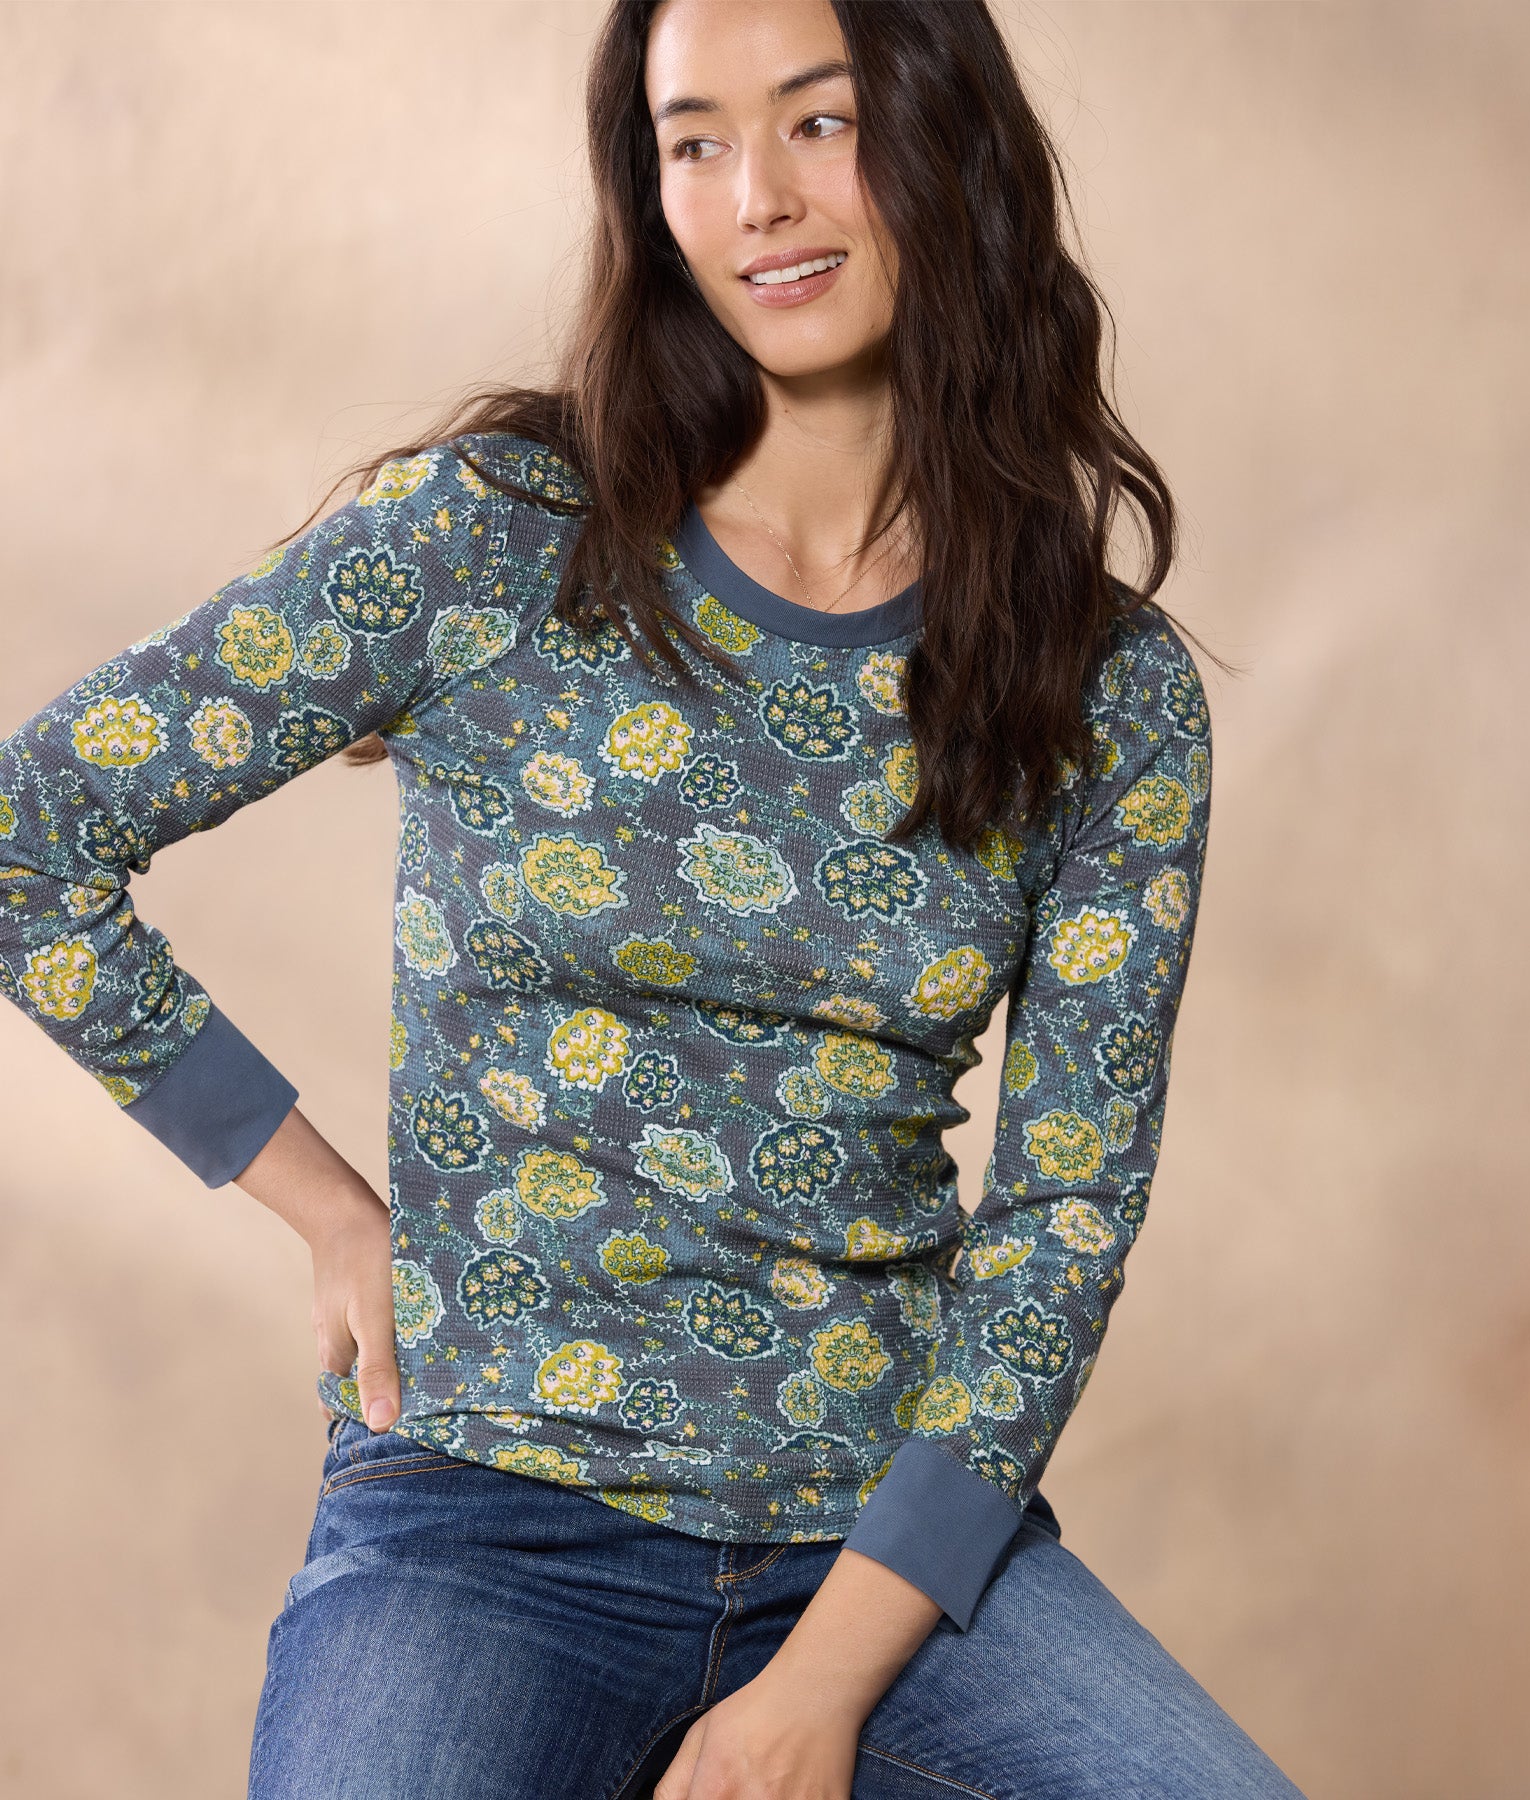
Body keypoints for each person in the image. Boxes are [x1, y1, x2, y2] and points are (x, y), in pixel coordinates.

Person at [0, 2, 1309, 1796]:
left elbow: (1064, 1219)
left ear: (947, 136)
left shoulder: (1106, 687)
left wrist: (820, 1690)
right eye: (697, 141)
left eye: (821, 121)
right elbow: (31, 831)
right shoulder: (491, 538)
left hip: (881, 1541)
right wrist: (325, 1208)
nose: (759, 196)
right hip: (484, 1515)